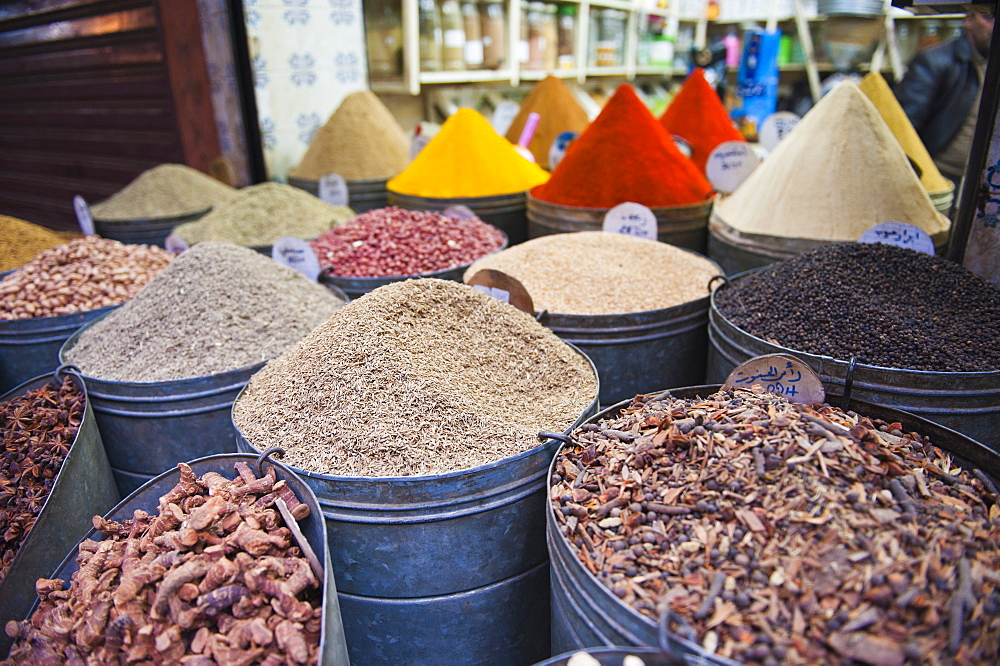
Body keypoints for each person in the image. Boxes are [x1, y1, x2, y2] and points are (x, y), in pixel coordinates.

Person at [894, 6, 995, 184]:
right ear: (969, 20)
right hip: (938, 174)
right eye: (988, 17)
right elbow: (905, 125)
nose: (995, 25)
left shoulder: (993, 64)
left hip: (983, 178)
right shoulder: (936, 61)